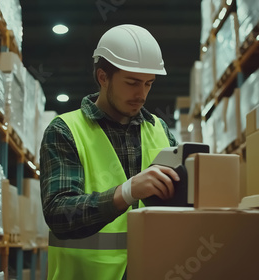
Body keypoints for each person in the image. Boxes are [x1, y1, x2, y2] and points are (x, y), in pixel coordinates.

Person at [40, 24, 179, 280]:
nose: (142, 94)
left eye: (149, 83)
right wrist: (127, 192)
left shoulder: (160, 130)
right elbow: (59, 214)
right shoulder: (65, 131)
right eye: (132, 82)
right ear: (103, 77)